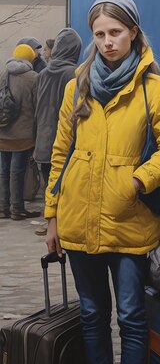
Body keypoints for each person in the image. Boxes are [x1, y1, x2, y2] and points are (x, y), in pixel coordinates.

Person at [44, 0, 160, 364]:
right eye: (100, 34)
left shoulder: (153, 87)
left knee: (130, 318)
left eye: (115, 33)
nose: (107, 42)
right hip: (80, 221)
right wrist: (51, 215)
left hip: (131, 224)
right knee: (90, 317)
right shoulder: (77, 86)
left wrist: (140, 181)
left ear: (133, 33)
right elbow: (60, 155)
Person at [33, 28, 82, 236]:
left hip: (43, 137)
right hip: (64, 139)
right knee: (67, 184)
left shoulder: (44, 72)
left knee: (49, 183)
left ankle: (52, 220)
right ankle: (63, 222)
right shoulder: (74, 74)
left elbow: (37, 105)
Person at [0, 44, 41, 220]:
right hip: (23, 134)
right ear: (30, 58)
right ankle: (17, 208)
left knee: (3, 170)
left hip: (3, 130)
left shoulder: (4, 74)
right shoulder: (34, 78)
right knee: (18, 171)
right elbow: (37, 106)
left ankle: (3, 207)